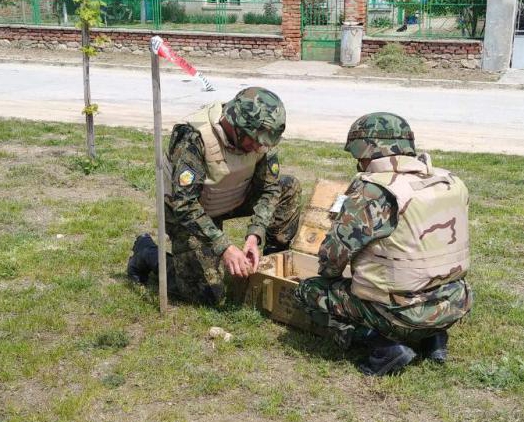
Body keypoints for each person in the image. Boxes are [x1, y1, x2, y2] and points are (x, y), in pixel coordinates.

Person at [295, 112, 472, 376]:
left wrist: (330, 277)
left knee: (309, 291)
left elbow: (333, 256)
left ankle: (384, 347)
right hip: (454, 302)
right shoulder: (449, 182)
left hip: (403, 312)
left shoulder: (375, 191)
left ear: (367, 151)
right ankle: (433, 339)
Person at [127, 86, 301, 305]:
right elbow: (184, 205)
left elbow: (270, 189)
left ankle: (270, 262)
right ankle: (147, 253)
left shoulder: (259, 138)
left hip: (232, 197)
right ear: (236, 124)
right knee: (208, 294)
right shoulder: (193, 136)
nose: (258, 147)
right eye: (254, 140)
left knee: (288, 187)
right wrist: (224, 247)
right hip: (188, 213)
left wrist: (254, 235)